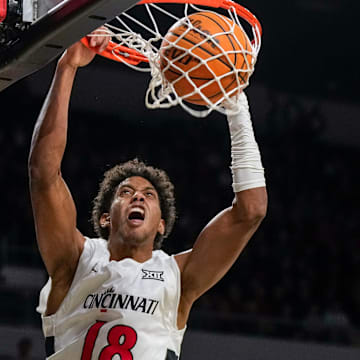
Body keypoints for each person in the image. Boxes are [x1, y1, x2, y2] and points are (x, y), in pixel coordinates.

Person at [30, 29, 267, 359]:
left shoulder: (178, 276)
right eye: (126, 192)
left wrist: (237, 108)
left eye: (149, 195)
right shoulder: (75, 259)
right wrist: (67, 67)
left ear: (161, 226)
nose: (138, 197)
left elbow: (251, 211)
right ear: (104, 217)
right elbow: (44, 174)